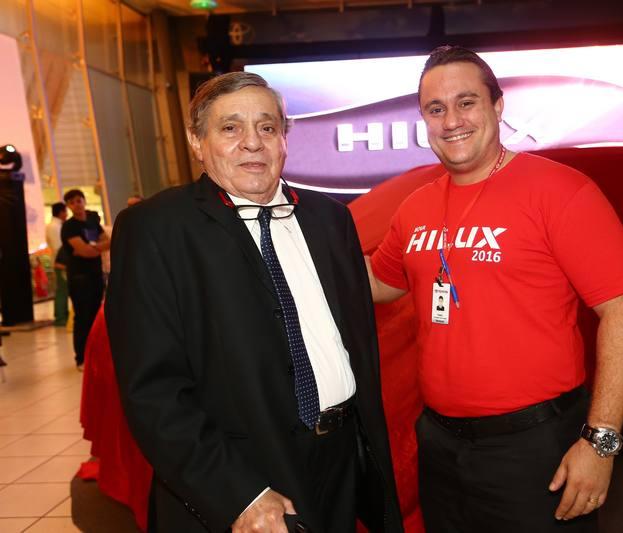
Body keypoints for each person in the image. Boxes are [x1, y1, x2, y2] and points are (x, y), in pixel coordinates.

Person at [366, 46, 623, 532]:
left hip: (535, 446)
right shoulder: (415, 208)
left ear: (498, 106)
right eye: (436, 109)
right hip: (440, 445)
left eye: (466, 102)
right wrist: (297, 248)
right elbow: (378, 281)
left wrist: (600, 442)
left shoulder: (561, 191)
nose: (451, 120)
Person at [105, 72, 402, 533]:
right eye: (230, 128)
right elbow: (153, 392)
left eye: (267, 127)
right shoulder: (155, 229)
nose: (252, 143)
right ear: (196, 141)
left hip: (341, 462)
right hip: (242, 475)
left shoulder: (330, 219)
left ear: (284, 138)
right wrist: (239, 495)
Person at [61, 189, 109, 369]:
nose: (77, 205)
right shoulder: (69, 226)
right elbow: (85, 251)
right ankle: (81, 358)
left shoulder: (92, 221)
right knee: (82, 317)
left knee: (96, 316)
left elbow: (108, 241)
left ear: (84, 201)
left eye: (79, 200)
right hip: (79, 277)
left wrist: (92, 247)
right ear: (68, 206)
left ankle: (96, 355)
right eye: (72, 202)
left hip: (96, 274)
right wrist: (95, 247)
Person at [46, 202, 68, 326]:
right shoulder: (55, 227)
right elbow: (59, 247)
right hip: (61, 263)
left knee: (63, 290)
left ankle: (62, 315)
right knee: (62, 290)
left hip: (60, 262)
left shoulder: (56, 225)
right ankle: (60, 317)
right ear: (61, 212)